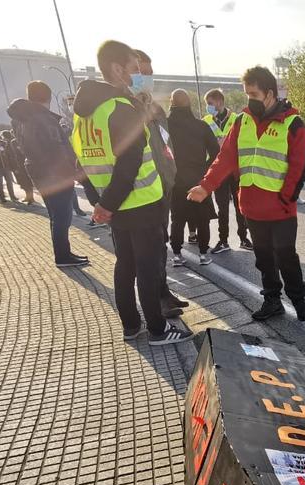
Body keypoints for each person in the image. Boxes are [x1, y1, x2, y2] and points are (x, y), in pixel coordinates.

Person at [72, 39, 192, 346]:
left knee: (125, 265)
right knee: (148, 269)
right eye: (134, 69)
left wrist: (100, 201)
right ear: (117, 69)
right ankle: (157, 330)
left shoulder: (86, 113)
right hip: (141, 202)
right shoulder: (122, 110)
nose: (138, 74)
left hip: (116, 206)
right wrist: (107, 204)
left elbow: (80, 162)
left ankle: (130, 325)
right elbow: (129, 165)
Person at [188, 65, 305, 322]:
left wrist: (286, 197)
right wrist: (206, 186)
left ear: (269, 94)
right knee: (264, 258)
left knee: (286, 255)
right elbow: (226, 158)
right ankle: (272, 300)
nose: (248, 99)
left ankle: (298, 299)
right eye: (246, 94)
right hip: (252, 207)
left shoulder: (292, 123)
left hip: (281, 208)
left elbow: (301, 165)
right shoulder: (241, 121)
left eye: (253, 94)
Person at [131, 49, 188, 313]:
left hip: (161, 184)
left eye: (150, 74)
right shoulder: (124, 107)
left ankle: (163, 292)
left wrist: (171, 173)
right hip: (140, 191)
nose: (148, 79)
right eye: (143, 73)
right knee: (148, 252)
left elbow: (165, 144)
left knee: (160, 245)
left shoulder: (153, 107)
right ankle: (156, 304)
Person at [9, 81, 89, 267]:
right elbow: (57, 148)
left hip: (37, 170)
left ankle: (62, 253)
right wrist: (72, 171)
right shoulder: (42, 118)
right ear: (48, 97)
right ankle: (63, 255)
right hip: (55, 172)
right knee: (62, 215)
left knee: (55, 215)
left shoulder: (20, 119)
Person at [166, 88, 219, 266]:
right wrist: (204, 169)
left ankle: (177, 255)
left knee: (177, 219)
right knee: (202, 218)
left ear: (171, 102)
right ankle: (203, 254)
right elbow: (215, 152)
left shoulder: (164, 126)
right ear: (189, 103)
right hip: (199, 180)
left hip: (175, 179)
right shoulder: (201, 126)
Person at [202, 88, 252, 252]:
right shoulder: (206, 121)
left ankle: (244, 238)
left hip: (236, 170)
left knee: (240, 206)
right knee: (222, 207)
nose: (208, 107)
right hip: (218, 170)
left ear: (219, 101)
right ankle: (223, 240)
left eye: (210, 103)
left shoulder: (237, 119)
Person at [2, 130, 36, 204]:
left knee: (26, 182)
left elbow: (15, 156)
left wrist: (16, 167)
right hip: (16, 166)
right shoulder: (9, 143)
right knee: (22, 182)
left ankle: (31, 198)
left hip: (19, 166)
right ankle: (28, 196)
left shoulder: (14, 142)